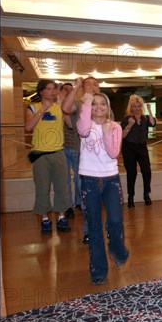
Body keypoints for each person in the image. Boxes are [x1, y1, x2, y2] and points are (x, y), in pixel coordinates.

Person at [77, 89, 129, 285]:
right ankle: (98, 270)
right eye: (94, 104)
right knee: (94, 227)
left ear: (108, 108)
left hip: (111, 180)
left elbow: (114, 152)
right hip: (89, 180)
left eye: (102, 104)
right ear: (89, 107)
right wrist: (85, 101)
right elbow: (82, 131)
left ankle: (118, 251)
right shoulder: (85, 124)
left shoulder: (115, 126)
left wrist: (107, 133)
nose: (98, 107)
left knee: (115, 221)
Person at [24, 79, 70, 233]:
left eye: (53, 89)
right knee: (42, 188)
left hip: (58, 152)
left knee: (62, 187)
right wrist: (42, 109)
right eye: (48, 89)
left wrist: (64, 99)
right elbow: (29, 127)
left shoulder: (60, 108)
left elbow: (70, 124)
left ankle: (61, 217)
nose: (51, 91)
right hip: (40, 155)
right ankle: (45, 219)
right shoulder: (32, 107)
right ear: (41, 92)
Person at [62, 76, 102, 244]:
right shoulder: (79, 105)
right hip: (84, 159)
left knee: (100, 196)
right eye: (88, 84)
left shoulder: (103, 104)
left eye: (96, 84)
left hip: (102, 160)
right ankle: (89, 229)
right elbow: (65, 107)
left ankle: (100, 228)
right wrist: (76, 85)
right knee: (86, 196)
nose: (93, 87)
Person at [121, 95, 156, 207]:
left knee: (147, 171)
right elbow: (122, 135)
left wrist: (150, 110)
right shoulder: (127, 118)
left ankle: (146, 194)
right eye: (134, 106)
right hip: (129, 147)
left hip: (142, 147)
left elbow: (153, 124)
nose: (137, 108)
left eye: (139, 106)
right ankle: (131, 197)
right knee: (131, 173)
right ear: (131, 107)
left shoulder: (145, 118)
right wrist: (130, 125)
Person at [59, 82, 78, 220]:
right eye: (65, 89)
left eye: (71, 90)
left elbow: (73, 125)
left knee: (79, 178)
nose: (68, 91)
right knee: (65, 179)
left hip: (77, 148)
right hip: (62, 148)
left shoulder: (77, 106)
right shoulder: (56, 107)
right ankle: (69, 206)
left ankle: (80, 203)